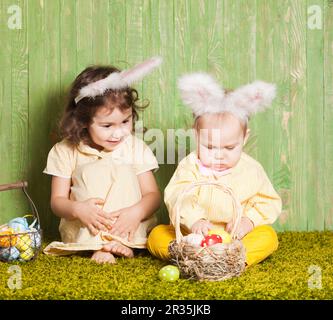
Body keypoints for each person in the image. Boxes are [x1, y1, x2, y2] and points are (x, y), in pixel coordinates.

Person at [147, 73, 282, 267]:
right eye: (210, 147)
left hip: (233, 240)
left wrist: (248, 221)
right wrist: (194, 220)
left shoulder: (251, 169)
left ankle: (237, 260)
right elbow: (177, 194)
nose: (219, 155)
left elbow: (267, 201)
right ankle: (187, 257)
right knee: (156, 235)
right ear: (196, 135)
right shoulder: (190, 165)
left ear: (244, 138)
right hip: (194, 237)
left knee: (268, 236)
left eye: (229, 148)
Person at [43, 57, 162, 264]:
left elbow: (152, 195)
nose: (118, 133)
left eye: (125, 121)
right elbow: (57, 201)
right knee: (89, 172)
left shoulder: (135, 147)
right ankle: (99, 245)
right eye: (107, 126)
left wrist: (136, 212)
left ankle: (121, 242)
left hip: (128, 225)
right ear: (83, 121)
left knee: (124, 170)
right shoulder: (64, 151)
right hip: (87, 228)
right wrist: (78, 209)